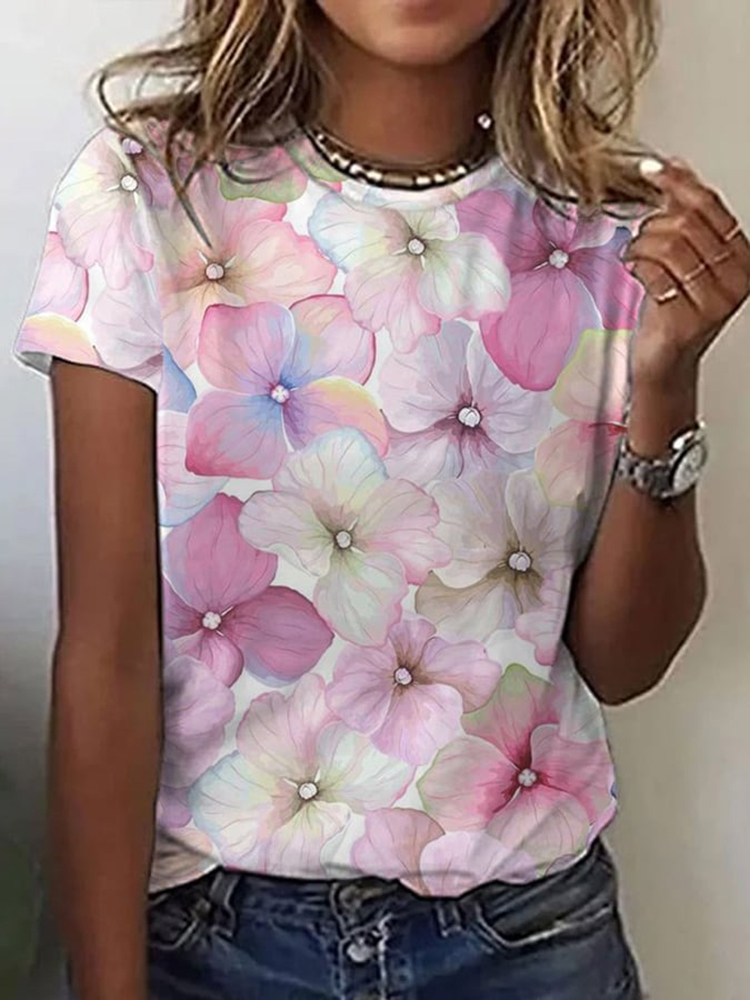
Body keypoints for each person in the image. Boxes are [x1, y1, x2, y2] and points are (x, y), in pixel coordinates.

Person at [13, 1, 750, 998]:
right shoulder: (145, 196)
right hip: (213, 942)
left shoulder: (618, 232)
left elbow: (625, 662)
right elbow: (105, 658)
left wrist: (667, 378)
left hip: (529, 941)